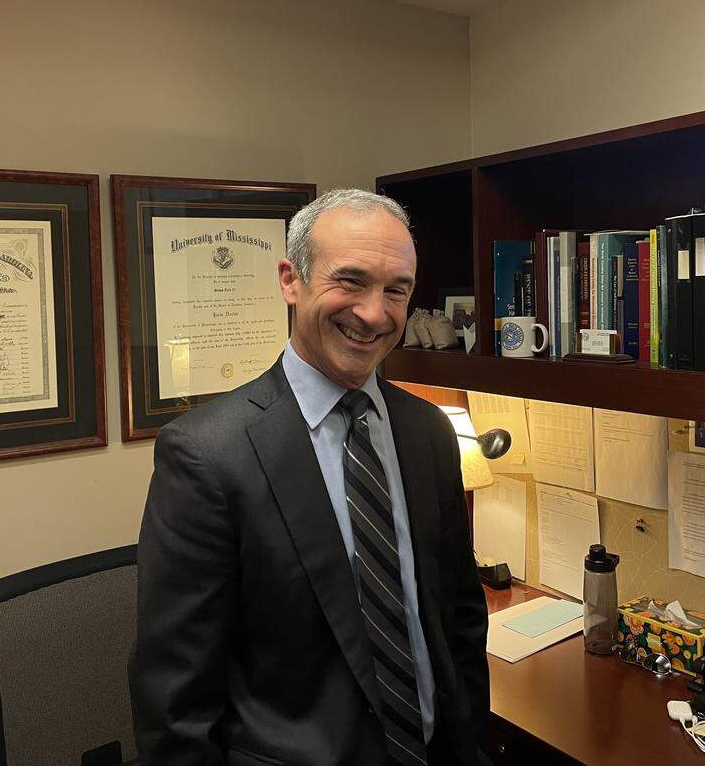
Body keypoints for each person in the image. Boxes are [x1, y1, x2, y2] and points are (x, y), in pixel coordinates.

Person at [131, 189, 489, 766]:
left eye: (395, 289)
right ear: (290, 280)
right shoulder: (206, 455)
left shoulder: (428, 433)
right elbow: (174, 705)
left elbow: (459, 620)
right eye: (349, 281)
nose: (374, 313)